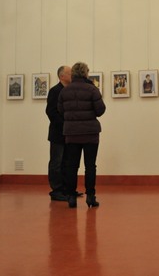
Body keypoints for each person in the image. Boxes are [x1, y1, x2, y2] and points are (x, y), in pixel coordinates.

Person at [58, 62, 106, 208]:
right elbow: (100, 110)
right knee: (90, 166)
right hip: (90, 134)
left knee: (72, 166)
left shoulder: (64, 91)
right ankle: (90, 196)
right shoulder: (92, 89)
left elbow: (61, 110)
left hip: (72, 134)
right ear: (86, 73)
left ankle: (71, 197)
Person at [45, 65, 72, 201]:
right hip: (58, 133)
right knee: (56, 162)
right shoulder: (55, 91)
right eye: (70, 73)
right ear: (62, 76)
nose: (72, 75)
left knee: (67, 161)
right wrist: (64, 124)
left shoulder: (70, 90)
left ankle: (66, 189)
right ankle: (56, 190)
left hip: (68, 133)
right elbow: (50, 112)